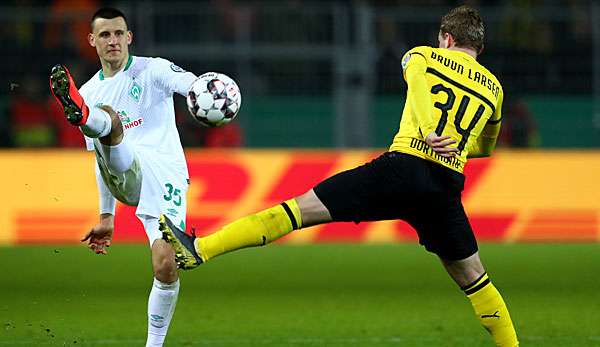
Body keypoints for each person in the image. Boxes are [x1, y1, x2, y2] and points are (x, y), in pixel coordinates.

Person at [163, 5, 519, 347]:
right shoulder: (496, 89)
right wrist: (455, 148)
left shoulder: (423, 55)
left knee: (297, 211)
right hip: (444, 187)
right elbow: (485, 148)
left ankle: (201, 249)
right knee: (475, 279)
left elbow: (421, 88)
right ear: (479, 47)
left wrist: (427, 132)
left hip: (402, 168)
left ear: (446, 37)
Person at [49, 7, 199, 347]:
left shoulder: (153, 69)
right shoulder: (87, 92)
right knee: (110, 122)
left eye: (118, 33)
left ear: (129, 37)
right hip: (124, 168)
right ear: (92, 41)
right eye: (105, 35)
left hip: (164, 175)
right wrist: (107, 215)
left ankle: (153, 345)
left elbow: (185, 80)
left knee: (166, 266)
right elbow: (101, 163)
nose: (113, 40)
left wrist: (203, 86)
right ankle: (90, 120)